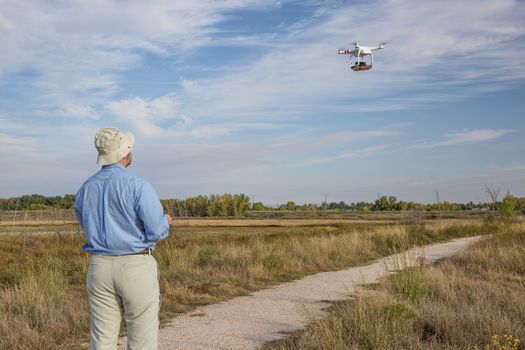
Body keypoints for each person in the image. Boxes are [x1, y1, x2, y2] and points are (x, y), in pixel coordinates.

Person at [74, 127, 173, 350]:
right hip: (135, 264)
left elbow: (86, 223)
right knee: (141, 337)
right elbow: (156, 231)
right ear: (125, 154)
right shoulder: (138, 185)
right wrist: (165, 221)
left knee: (101, 339)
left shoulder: (85, 189)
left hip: (99, 266)